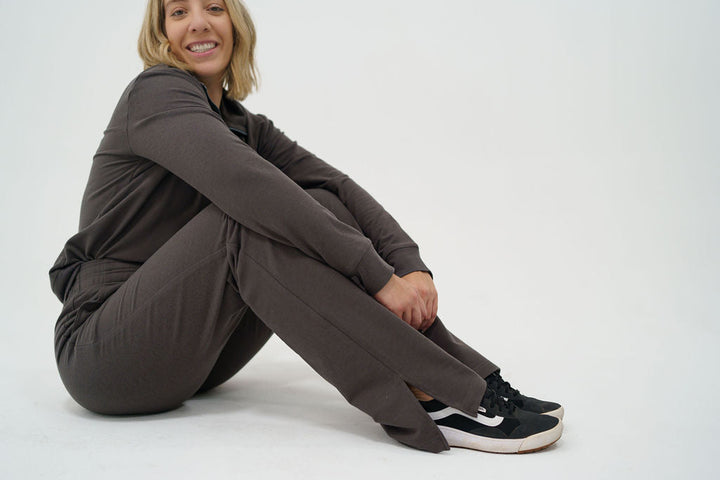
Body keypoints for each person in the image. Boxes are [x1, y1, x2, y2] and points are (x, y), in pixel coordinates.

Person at [49, 0, 564, 454]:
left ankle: (470, 382)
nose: (198, 23)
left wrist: (410, 266)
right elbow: (250, 188)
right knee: (244, 222)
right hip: (104, 352)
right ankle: (435, 395)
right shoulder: (154, 94)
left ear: (236, 23)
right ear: (160, 32)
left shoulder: (242, 125)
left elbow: (335, 186)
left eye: (214, 7)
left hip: (195, 355)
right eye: (178, 12)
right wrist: (377, 277)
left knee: (319, 203)